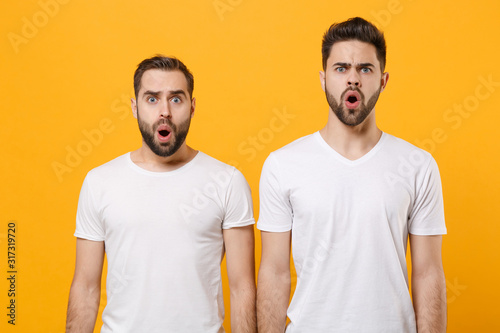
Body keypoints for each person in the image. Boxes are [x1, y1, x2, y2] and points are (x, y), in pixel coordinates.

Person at [256, 17, 447, 333]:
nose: (353, 79)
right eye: (341, 68)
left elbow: (428, 273)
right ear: (323, 78)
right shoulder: (283, 164)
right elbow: (274, 272)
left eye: (365, 69)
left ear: (383, 80)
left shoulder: (418, 165)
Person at [66, 55, 256, 333]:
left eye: (176, 99)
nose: (164, 111)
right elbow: (85, 288)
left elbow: (242, 289)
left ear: (192, 107)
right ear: (135, 107)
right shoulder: (100, 182)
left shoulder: (227, 182)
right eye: (152, 99)